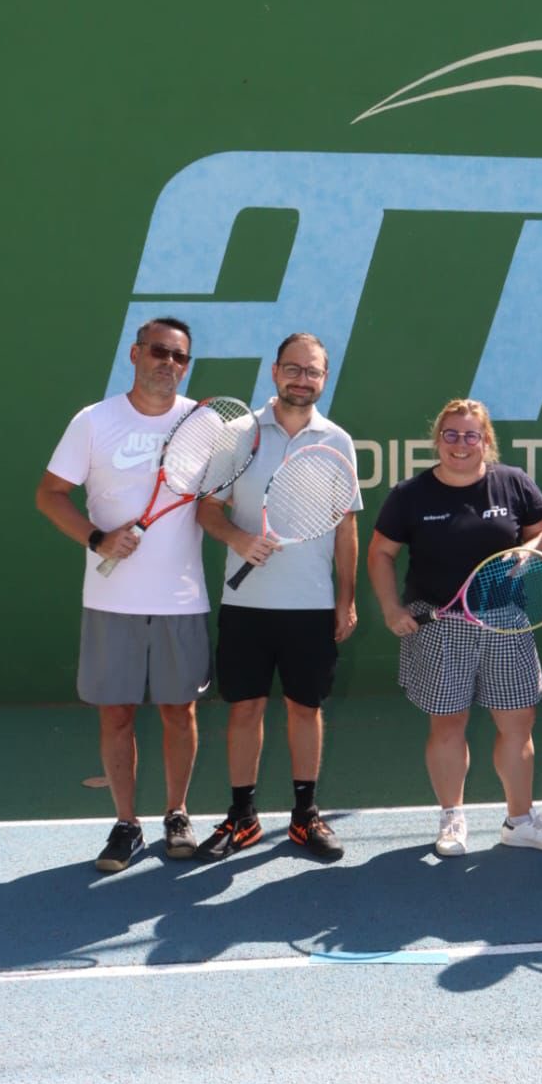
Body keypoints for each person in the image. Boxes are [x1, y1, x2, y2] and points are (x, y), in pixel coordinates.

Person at [36, 317, 208, 871]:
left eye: (179, 357)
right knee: (116, 716)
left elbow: (218, 499)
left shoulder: (203, 424)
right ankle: (126, 824)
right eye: (159, 351)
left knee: (180, 712)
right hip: (111, 603)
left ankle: (177, 813)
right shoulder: (93, 421)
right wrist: (98, 538)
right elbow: (50, 494)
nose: (168, 363)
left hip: (181, 599)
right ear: (135, 355)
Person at [367, 399, 542, 858]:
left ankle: (520, 821)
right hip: (440, 625)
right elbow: (380, 553)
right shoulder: (410, 494)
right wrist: (391, 608)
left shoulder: (512, 482)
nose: (460, 444)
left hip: (506, 622)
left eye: (470, 435)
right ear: (438, 439)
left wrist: (530, 550)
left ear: (486, 441)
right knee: (447, 725)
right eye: (451, 434)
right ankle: (452, 818)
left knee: (518, 724)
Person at [196, 333, 360, 861]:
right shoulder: (237, 435)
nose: (302, 380)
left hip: (310, 606)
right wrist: (240, 539)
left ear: (324, 378)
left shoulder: (336, 440)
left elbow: (345, 526)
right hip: (245, 606)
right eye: (293, 369)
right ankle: (242, 817)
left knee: (304, 709)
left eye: (312, 372)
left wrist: (346, 600)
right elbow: (207, 510)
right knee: (244, 709)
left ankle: (305, 817)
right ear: (274, 371)